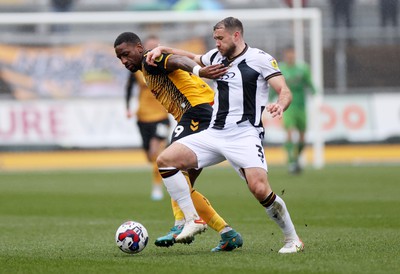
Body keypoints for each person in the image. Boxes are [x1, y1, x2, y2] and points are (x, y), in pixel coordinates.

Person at [146, 17, 304, 253]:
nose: (217, 43)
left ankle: (293, 239)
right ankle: (192, 219)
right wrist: (161, 48)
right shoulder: (215, 57)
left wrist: (280, 105)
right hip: (214, 134)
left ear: (236, 35)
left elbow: (284, 90)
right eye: (215, 39)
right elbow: (190, 56)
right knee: (165, 161)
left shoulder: (260, 59)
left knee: (260, 189)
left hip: (245, 135)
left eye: (220, 38)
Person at [114, 31, 243, 252]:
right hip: (203, 112)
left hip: (196, 113)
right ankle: (227, 233)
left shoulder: (150, 60)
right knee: (183, 184)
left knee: (168, 165)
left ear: (138, 47)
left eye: (126, 54)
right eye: (120, 58)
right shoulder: (144, 69)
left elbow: (176, 60)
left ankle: (185, 222)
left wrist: (198, 70)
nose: (124, 61)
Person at [125, 36, 171, 200]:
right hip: (143, 117)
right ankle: (163, 175)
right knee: (149, 157)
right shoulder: (138, 70)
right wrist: (128, 108)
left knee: (157, 153)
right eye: (149, 46)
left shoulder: (167, 65)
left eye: (155, 46)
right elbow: (129, 88)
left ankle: (157, 187)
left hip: (161, 116)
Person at [271, 47, 315, 174]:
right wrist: (270, 99)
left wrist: (315, 94)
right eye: (288, 54)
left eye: (292, 54)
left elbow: (310, 83)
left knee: (302, 138)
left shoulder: (303, 69)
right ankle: (291, 161)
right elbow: (275, 85)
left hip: (301, 106)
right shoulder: (281, 69)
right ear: (285, 55)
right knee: (289, 132)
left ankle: (296, 158)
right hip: (287, 106)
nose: (290, 56)